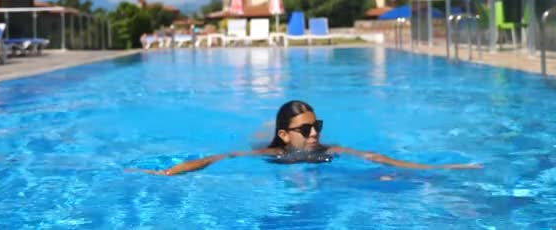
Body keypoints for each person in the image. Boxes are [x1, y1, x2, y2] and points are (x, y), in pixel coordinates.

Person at [126, 100, 481, 176]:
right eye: (305, 129)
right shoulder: (270, 153)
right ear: (283, 134)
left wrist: (443, 167)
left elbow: (378, 158)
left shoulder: (327, 149)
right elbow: (215, 160)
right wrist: (166, 173)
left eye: (317, 126)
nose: (315, 134)